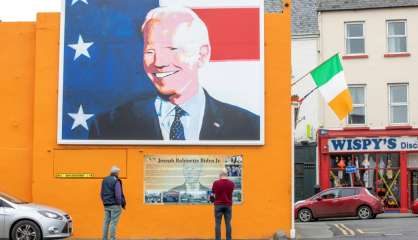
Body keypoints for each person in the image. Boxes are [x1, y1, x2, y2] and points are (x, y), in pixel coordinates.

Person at [88, 6, 260, 141]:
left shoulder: (249, 127)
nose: (159, 62)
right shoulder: (108, 126)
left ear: (202, 55)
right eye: (150, 51)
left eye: (172, 49)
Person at [101, 166, 126, 240]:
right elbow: (118, 194)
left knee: (106, 222)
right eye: (118, 172)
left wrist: (104, 201)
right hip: (115, 205)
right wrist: (119, 203)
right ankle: (112, 238)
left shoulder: (105, 180)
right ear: (117, 173)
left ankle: (104, 238)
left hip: (106, 204)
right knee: (113, 223)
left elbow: (101, 193)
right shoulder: (116, 180)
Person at [211, 169, 235, 240]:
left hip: (218, 205)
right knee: (228, 224)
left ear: (220, 175)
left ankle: (218, 239)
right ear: (227, 174)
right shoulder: (231, 183)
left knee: (217, 224)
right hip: (228, 205)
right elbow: (231, 192)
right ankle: (228, 238)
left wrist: (213, 200)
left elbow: (212, 194)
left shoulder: (216, 183)